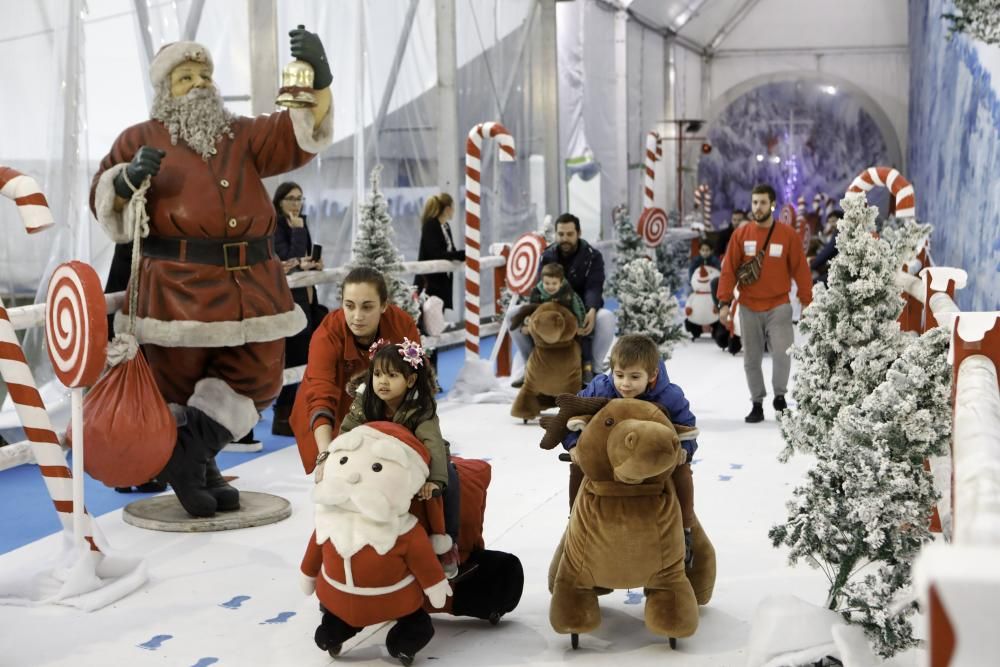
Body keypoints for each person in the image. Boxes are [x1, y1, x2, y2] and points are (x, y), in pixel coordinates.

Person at [88, 30, 334, 517]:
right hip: (177, 290)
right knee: (179, 380)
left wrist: (318, 80)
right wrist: (130, 178)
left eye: (204, 74)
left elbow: (294, 135)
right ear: (165, 88)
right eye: (186, 76)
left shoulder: (239, 133)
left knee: (260, 371)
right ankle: (200, 465)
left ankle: (188, 458)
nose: (198, 83)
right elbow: (103, 194)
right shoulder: (138, 138)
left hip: (253, 284)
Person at [562, 334, 698, 567]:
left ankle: (685, 528)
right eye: (620, 375)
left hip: (651, 456)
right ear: (612, 370)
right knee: (579, 467)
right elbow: (570, 415)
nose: (625, 384)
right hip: (609, 455)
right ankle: (575, 520)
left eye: (635, 377)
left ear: (652, 375)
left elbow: (688, 426)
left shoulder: (669, 396)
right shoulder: (600, 389)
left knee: (682, 471)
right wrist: (574, 444)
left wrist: (684, 449)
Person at [339, 340, 462, 578]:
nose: (382, 382)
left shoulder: (420, 407)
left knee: (452, 476)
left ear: (410, 380)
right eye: (377, 374)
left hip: (418, 458)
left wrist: (435, 480)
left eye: (392, 375)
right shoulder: (365, 400)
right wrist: (331, 459)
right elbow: (347, 432)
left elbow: (433, 444)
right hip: (376, 460)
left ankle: (449, 542)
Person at [291, 267, 421, 477]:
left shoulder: (402, 326)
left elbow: (417, 382)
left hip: (385, 407)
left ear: (384, 305)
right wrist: (325, 454)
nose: (357, 316)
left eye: (367, 307)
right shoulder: (327, 334)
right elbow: (320, 394)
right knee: (342, 474)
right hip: (333, 413)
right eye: (349, 306)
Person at [716, 184, 813, 424]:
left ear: (772, 205)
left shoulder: (787, 235)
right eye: (754, 202)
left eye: (762, 203)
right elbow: (728, 269)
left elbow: (801, 270)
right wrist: (724, 302)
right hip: (748, 306)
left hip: (779, 306)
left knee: (782, 354)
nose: (757, 207)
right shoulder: (741, 234)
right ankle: (756, 402)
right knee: (751, 358)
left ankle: (780, 397)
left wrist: (807, 301)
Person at [507, 213, 614, 385]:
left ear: (579, 233)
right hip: (550, 310)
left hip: (581, 310)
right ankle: (530, 367)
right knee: (513, 314)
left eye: (569, 234)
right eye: (561, 234)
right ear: (556, 234)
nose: (565, 238)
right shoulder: (547, 255)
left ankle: (594, 369)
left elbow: (594, 287)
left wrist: (592, 310)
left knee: (606, 318)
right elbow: (539, 286)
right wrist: (531, 316)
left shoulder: (593, 256)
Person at [270, 181, 327, 436]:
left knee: (306, 355)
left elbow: (302, 259)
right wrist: (297, 232)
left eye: (300, 198)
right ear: (280, 201)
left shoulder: (300, 223)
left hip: (307, 296)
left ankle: (294, 412)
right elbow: (287, 261)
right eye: (291, 198)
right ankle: (282, 416)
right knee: (293, 355)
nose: (296, 203)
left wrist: (314, 263)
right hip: (287, 300)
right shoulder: (278, 225)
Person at [527, 263, 592, 381]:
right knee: (535, 344)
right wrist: (528, 324)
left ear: (561, 283)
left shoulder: (568, 293)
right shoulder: (537, 293)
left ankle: (586, 367)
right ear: (542, 281)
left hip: (565, 325)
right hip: (544, 327)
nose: (550, 287)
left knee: (583, 341)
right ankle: (531, 369)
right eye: (547, 283)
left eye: (554, 284)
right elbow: (531, 310)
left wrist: (579, 325)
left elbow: (578, 309)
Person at [417, 193, 464, 310]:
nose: (454, 211)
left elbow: (450, 251)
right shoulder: (430, 226)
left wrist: (460, 255)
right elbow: (436, 254)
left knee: (437, 320)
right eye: (453, 207)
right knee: (428, 322)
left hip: (442, 281)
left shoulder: (446, 226)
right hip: (429, 283)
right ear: (448, 209)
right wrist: (463, 254)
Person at [810, 209, 843, 286]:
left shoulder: (840, 232)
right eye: (830, 222)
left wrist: (812, 265)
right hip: (840, 269)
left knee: (814, 284)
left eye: (834, 221)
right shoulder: (839, 231)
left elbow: (828, 251)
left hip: (841, 272)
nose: (832, 225)